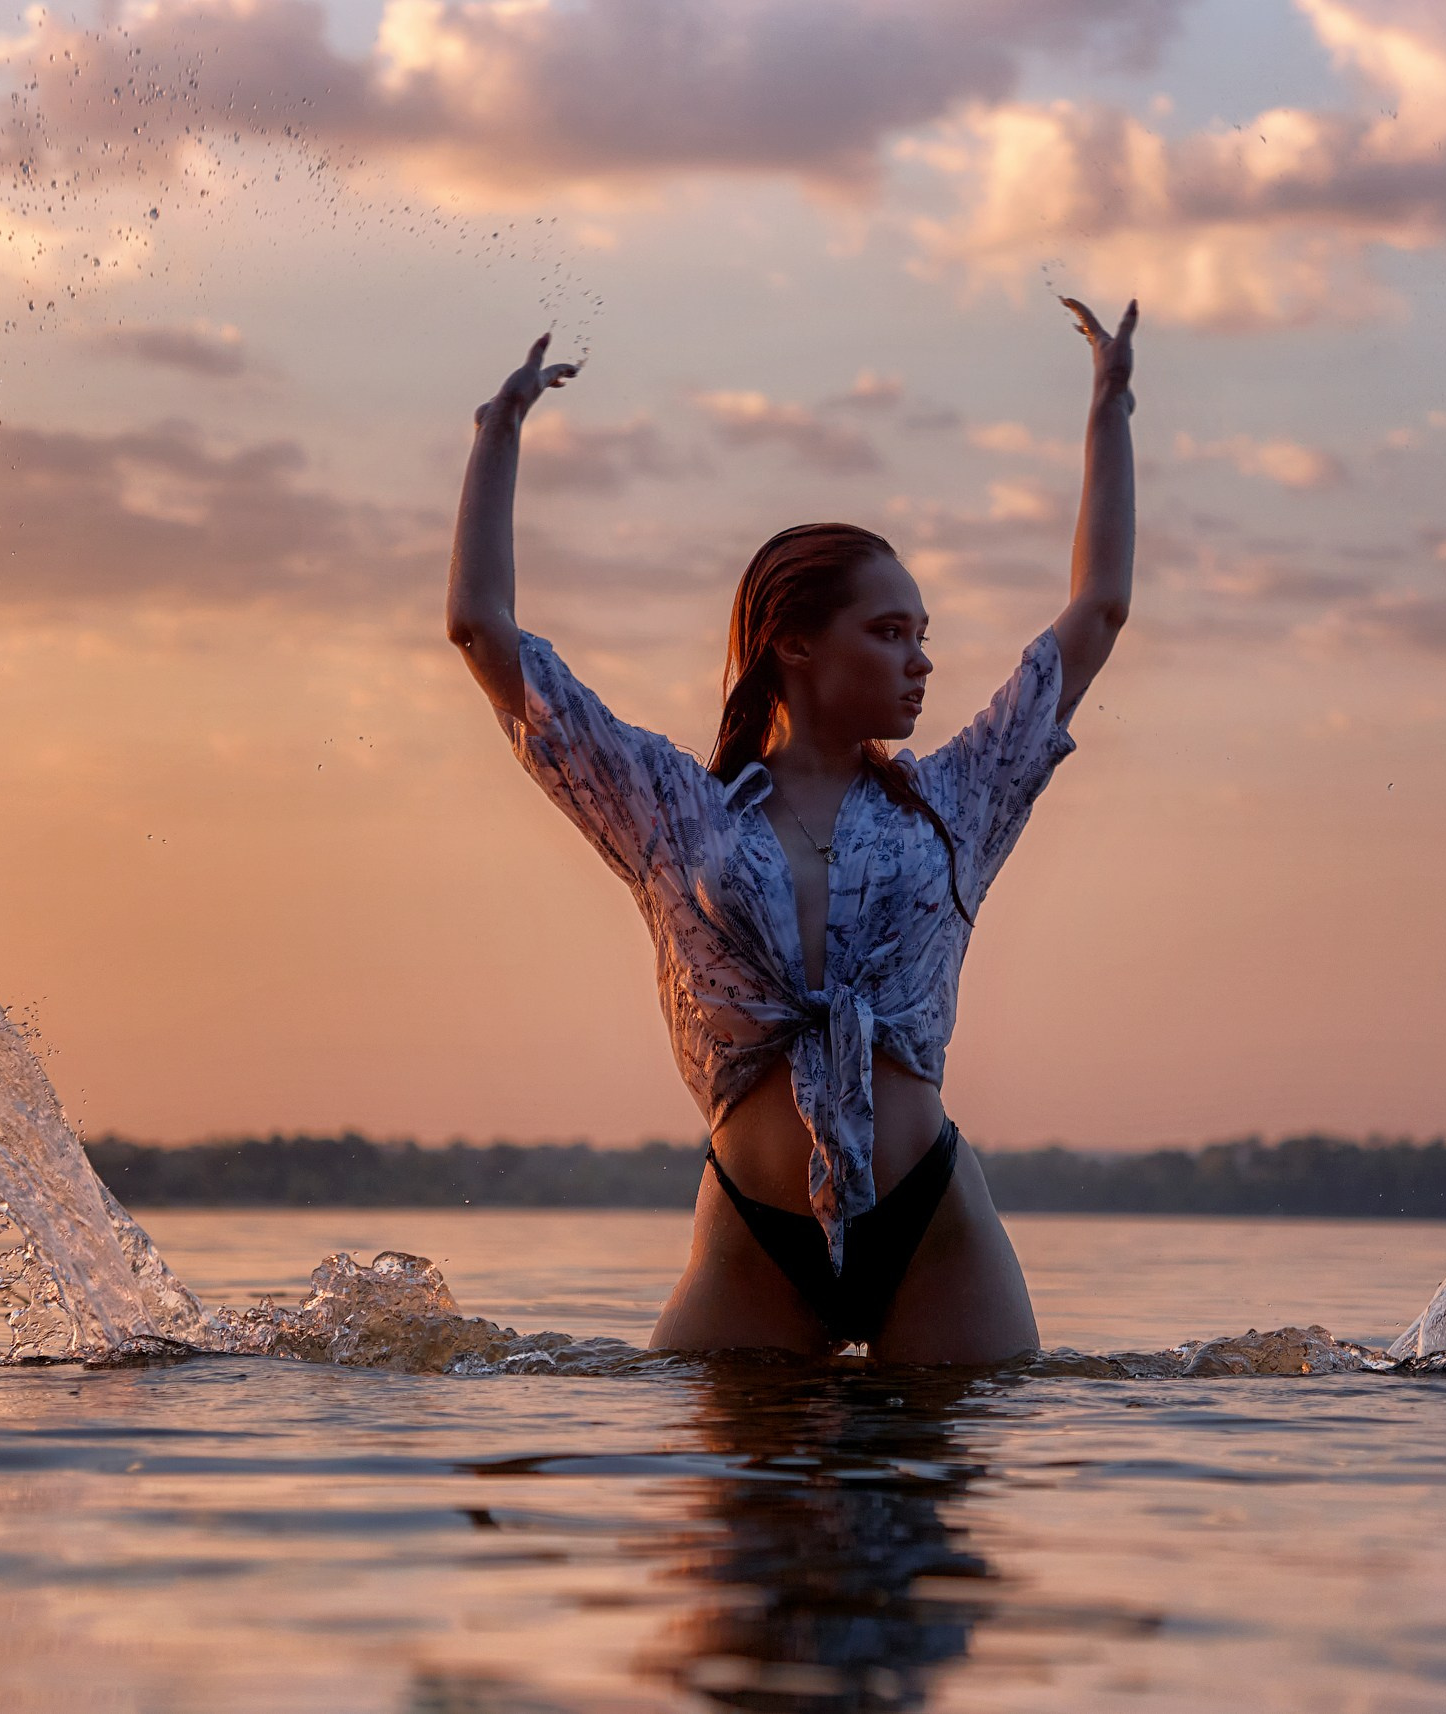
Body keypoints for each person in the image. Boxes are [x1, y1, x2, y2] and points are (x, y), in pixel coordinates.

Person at [445, 298, 1137, 1363]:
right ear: (796, 644)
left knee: (953, 1474)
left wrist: (1108, 407)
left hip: (934, 1231)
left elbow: (1097, 613)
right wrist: (497, 434)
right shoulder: (669, 808)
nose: (921, 659)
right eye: (889, 631)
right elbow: (481, 632)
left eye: (923, 633)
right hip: (754, 1244)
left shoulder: (959, 799)